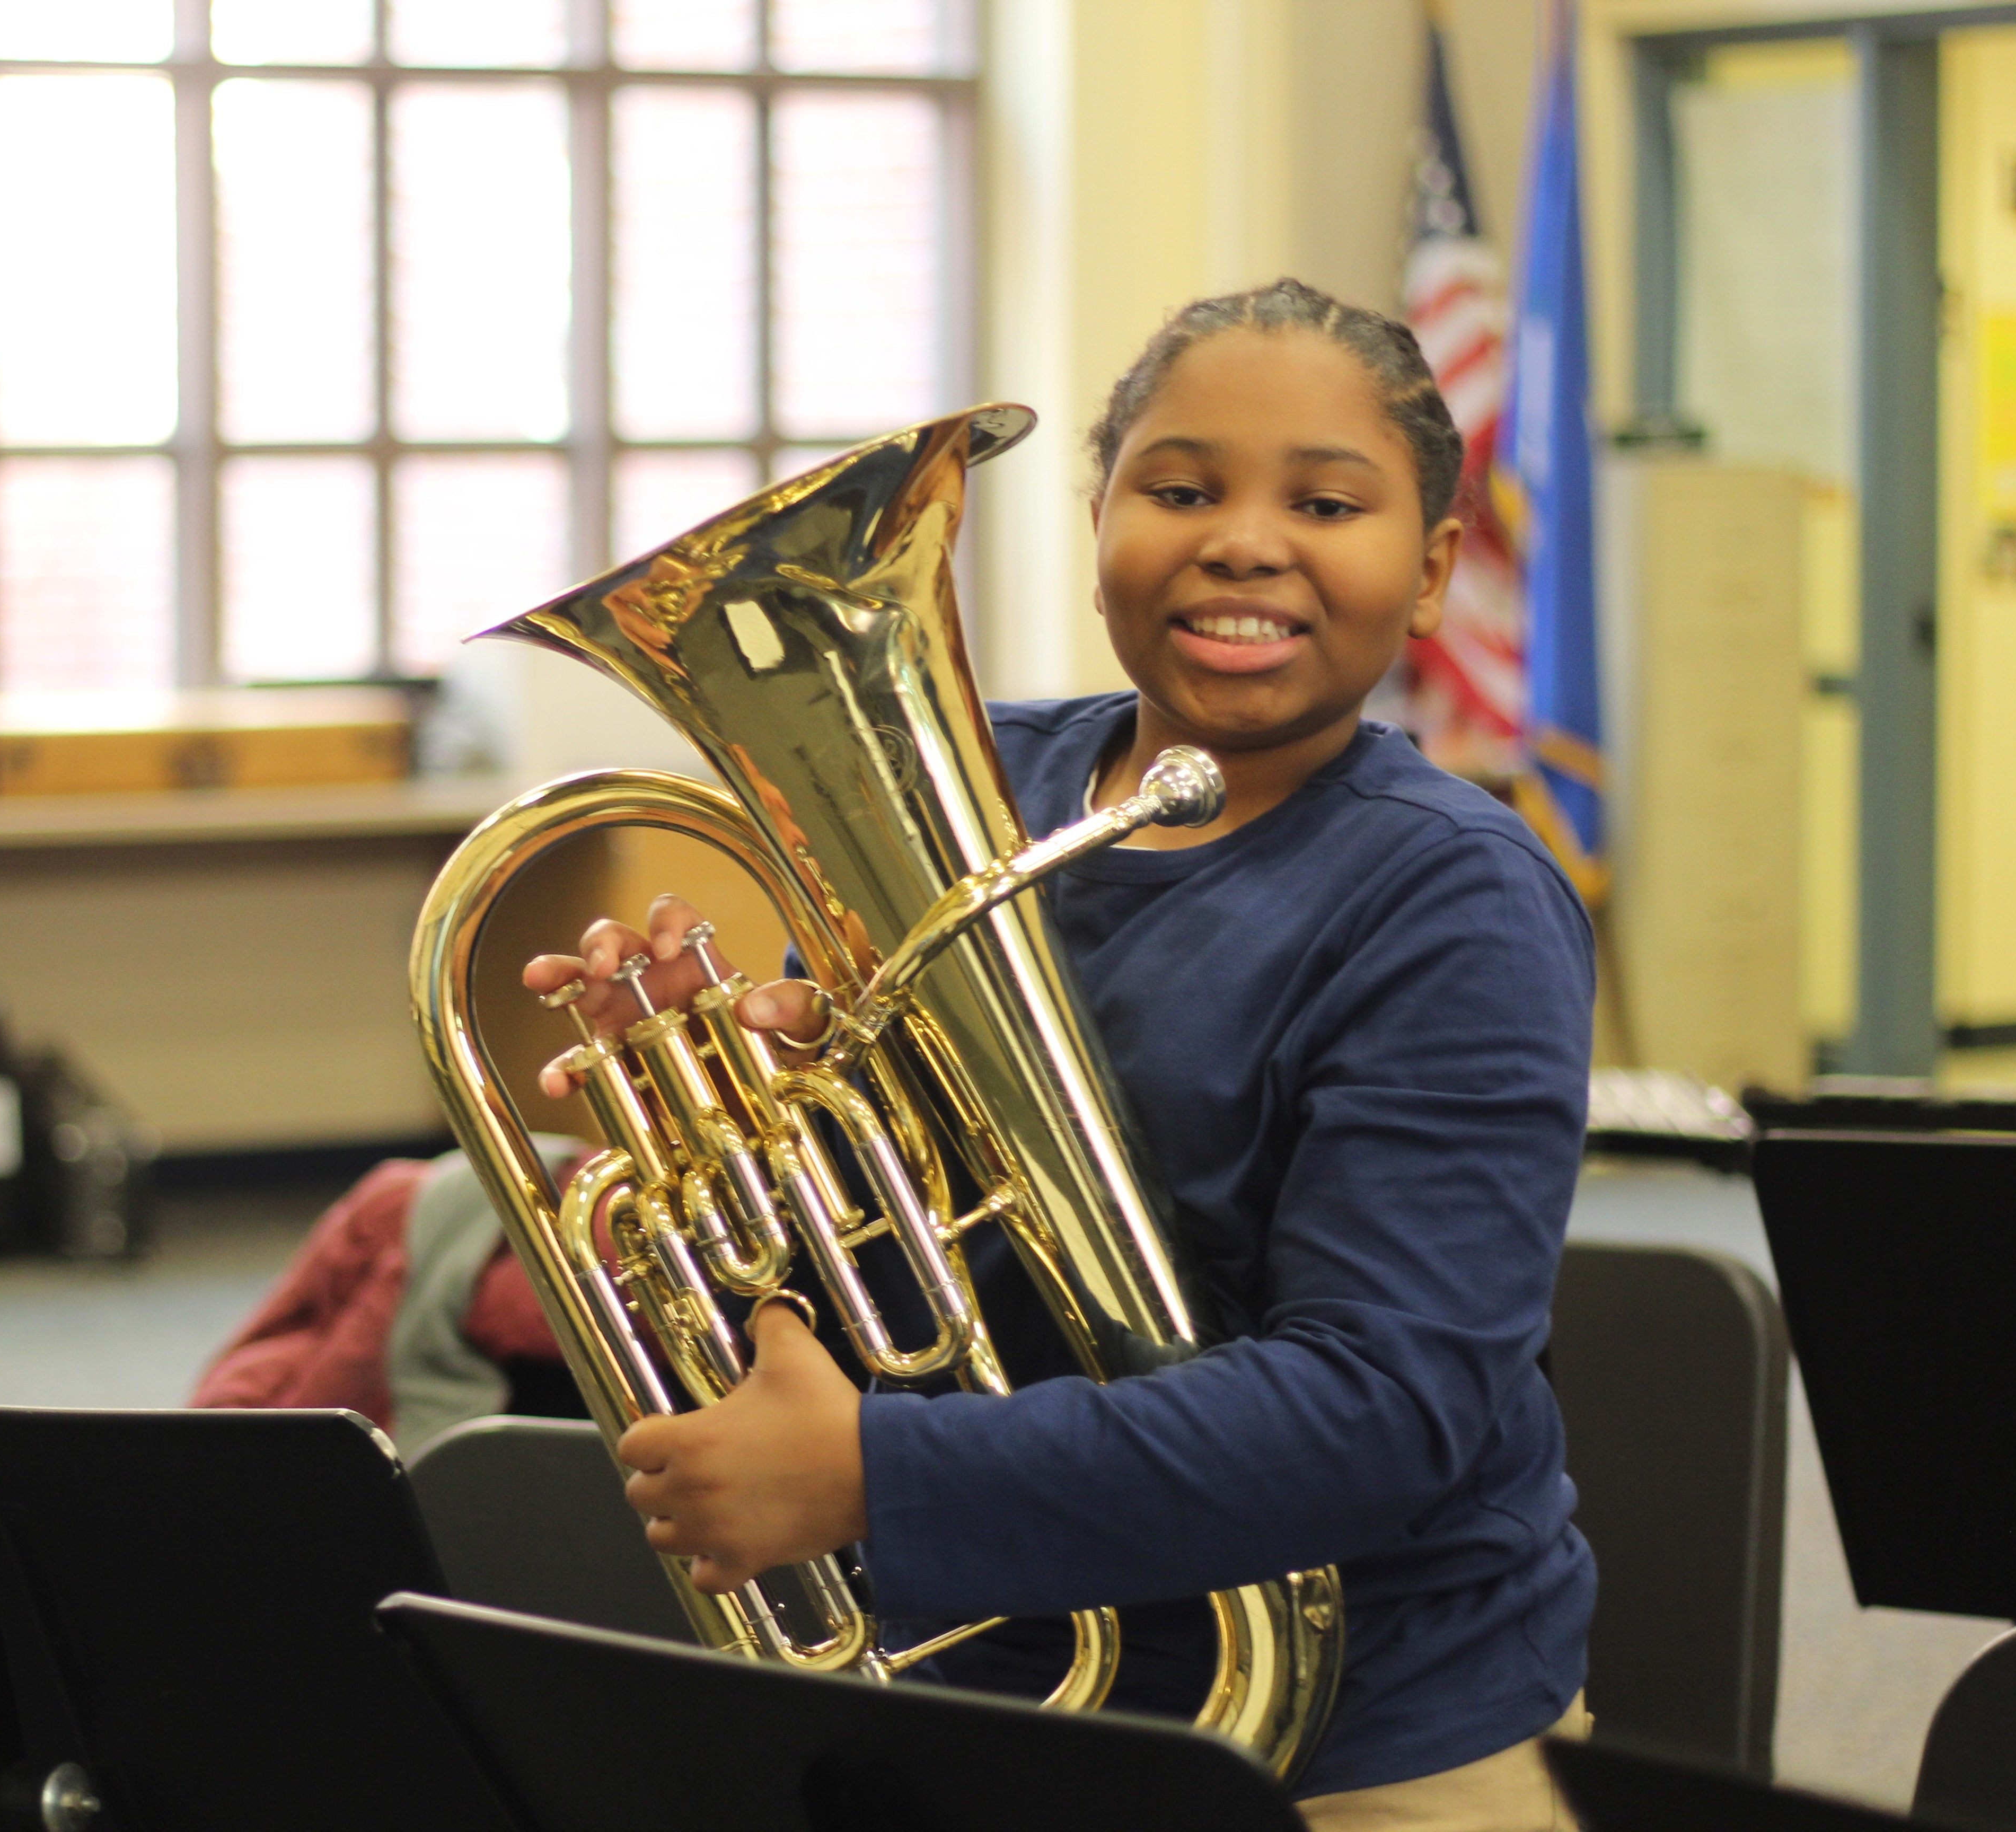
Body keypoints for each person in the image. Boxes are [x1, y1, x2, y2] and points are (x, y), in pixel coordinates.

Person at [523, 279, 1597, 1827]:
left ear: (1431, 572)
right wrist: (714, 1133)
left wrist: (878, 1482)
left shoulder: (1455, 898)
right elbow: (869, 1300)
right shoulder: (955, 784)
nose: (1241, 538)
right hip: (980, 1676)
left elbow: (1387, 1410)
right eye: (1180, 487)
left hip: (1368, 1729)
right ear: (1099, 521)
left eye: (1324, 501)